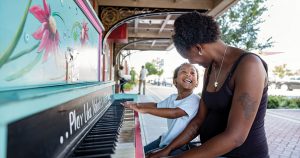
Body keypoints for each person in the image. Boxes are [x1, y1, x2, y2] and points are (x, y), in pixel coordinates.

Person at [148, 11, 269, 158]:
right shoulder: (211, 69)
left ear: (198, 48)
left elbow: (235, 137)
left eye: (190, 58)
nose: (192, 63)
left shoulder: (249, 65)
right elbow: (199, 121)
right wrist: (168, 149)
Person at [121, 63, 200, 155]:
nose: (188, 74)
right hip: (164, 140)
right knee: (137, 154)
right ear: (175, 81)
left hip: (180, 146)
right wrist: (137, 104)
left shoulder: (195, 99)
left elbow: (175, 113)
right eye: (183, 72)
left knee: (143, 155)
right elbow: (156, 105)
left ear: (197, 83)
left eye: (192, 73)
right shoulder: (172, 97)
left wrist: (143, 110)